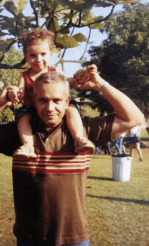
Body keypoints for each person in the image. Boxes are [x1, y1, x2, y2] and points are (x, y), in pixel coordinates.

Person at [0, 65, 144, 246]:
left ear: (67, 101)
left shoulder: (84, 131)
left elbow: (134, 118)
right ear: (34, 101)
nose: (50, 108)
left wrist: (100, 85)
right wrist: (0, 103)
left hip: (75, 243)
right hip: (31, 245)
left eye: (57, 100)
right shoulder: (19, 135)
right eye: (43, 100)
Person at [7, 28, 94, 158]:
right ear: (26, 57)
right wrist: (14, 93)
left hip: (54, 107)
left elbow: (71, 82)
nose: (38, 59)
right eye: (33, 55)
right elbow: (20, 91)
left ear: (51, 54)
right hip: (32, 108)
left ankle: (79, 139)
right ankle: (28, 146)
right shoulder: (24, 75)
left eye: (43, 54)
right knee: (23, 117)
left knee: (71, 108)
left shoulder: (55, 72)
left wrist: (83, 77)